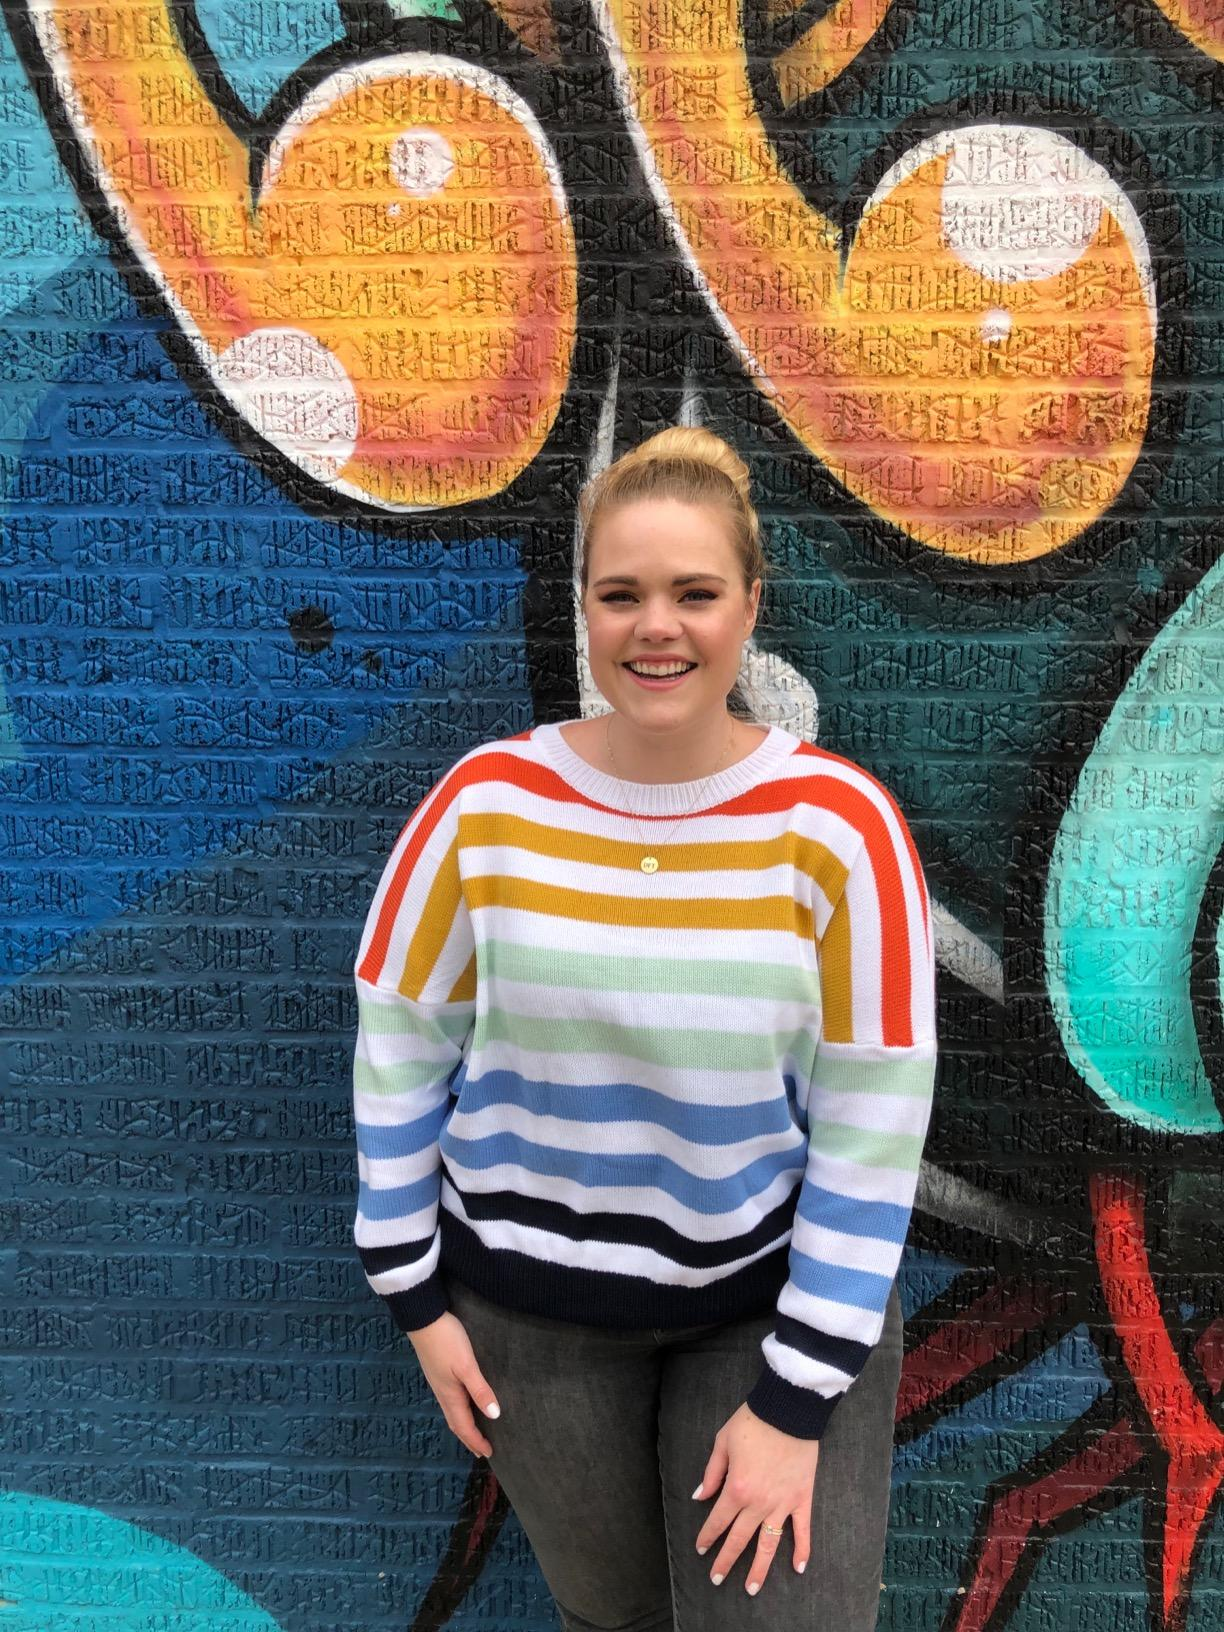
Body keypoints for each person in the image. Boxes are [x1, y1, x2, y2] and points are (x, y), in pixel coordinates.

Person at [351, 426, 938, 1631]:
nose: (656, 626)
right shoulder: (485, 805)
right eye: (621, 594)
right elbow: (402, 1036)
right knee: (612, 1621)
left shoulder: (837, 827)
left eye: (694, 593)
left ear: (750, 607)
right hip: (533, 1327)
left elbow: (873, 1125)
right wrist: (411, 1290)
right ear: (584, 609)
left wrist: (793, 1403)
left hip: (762, 1313)